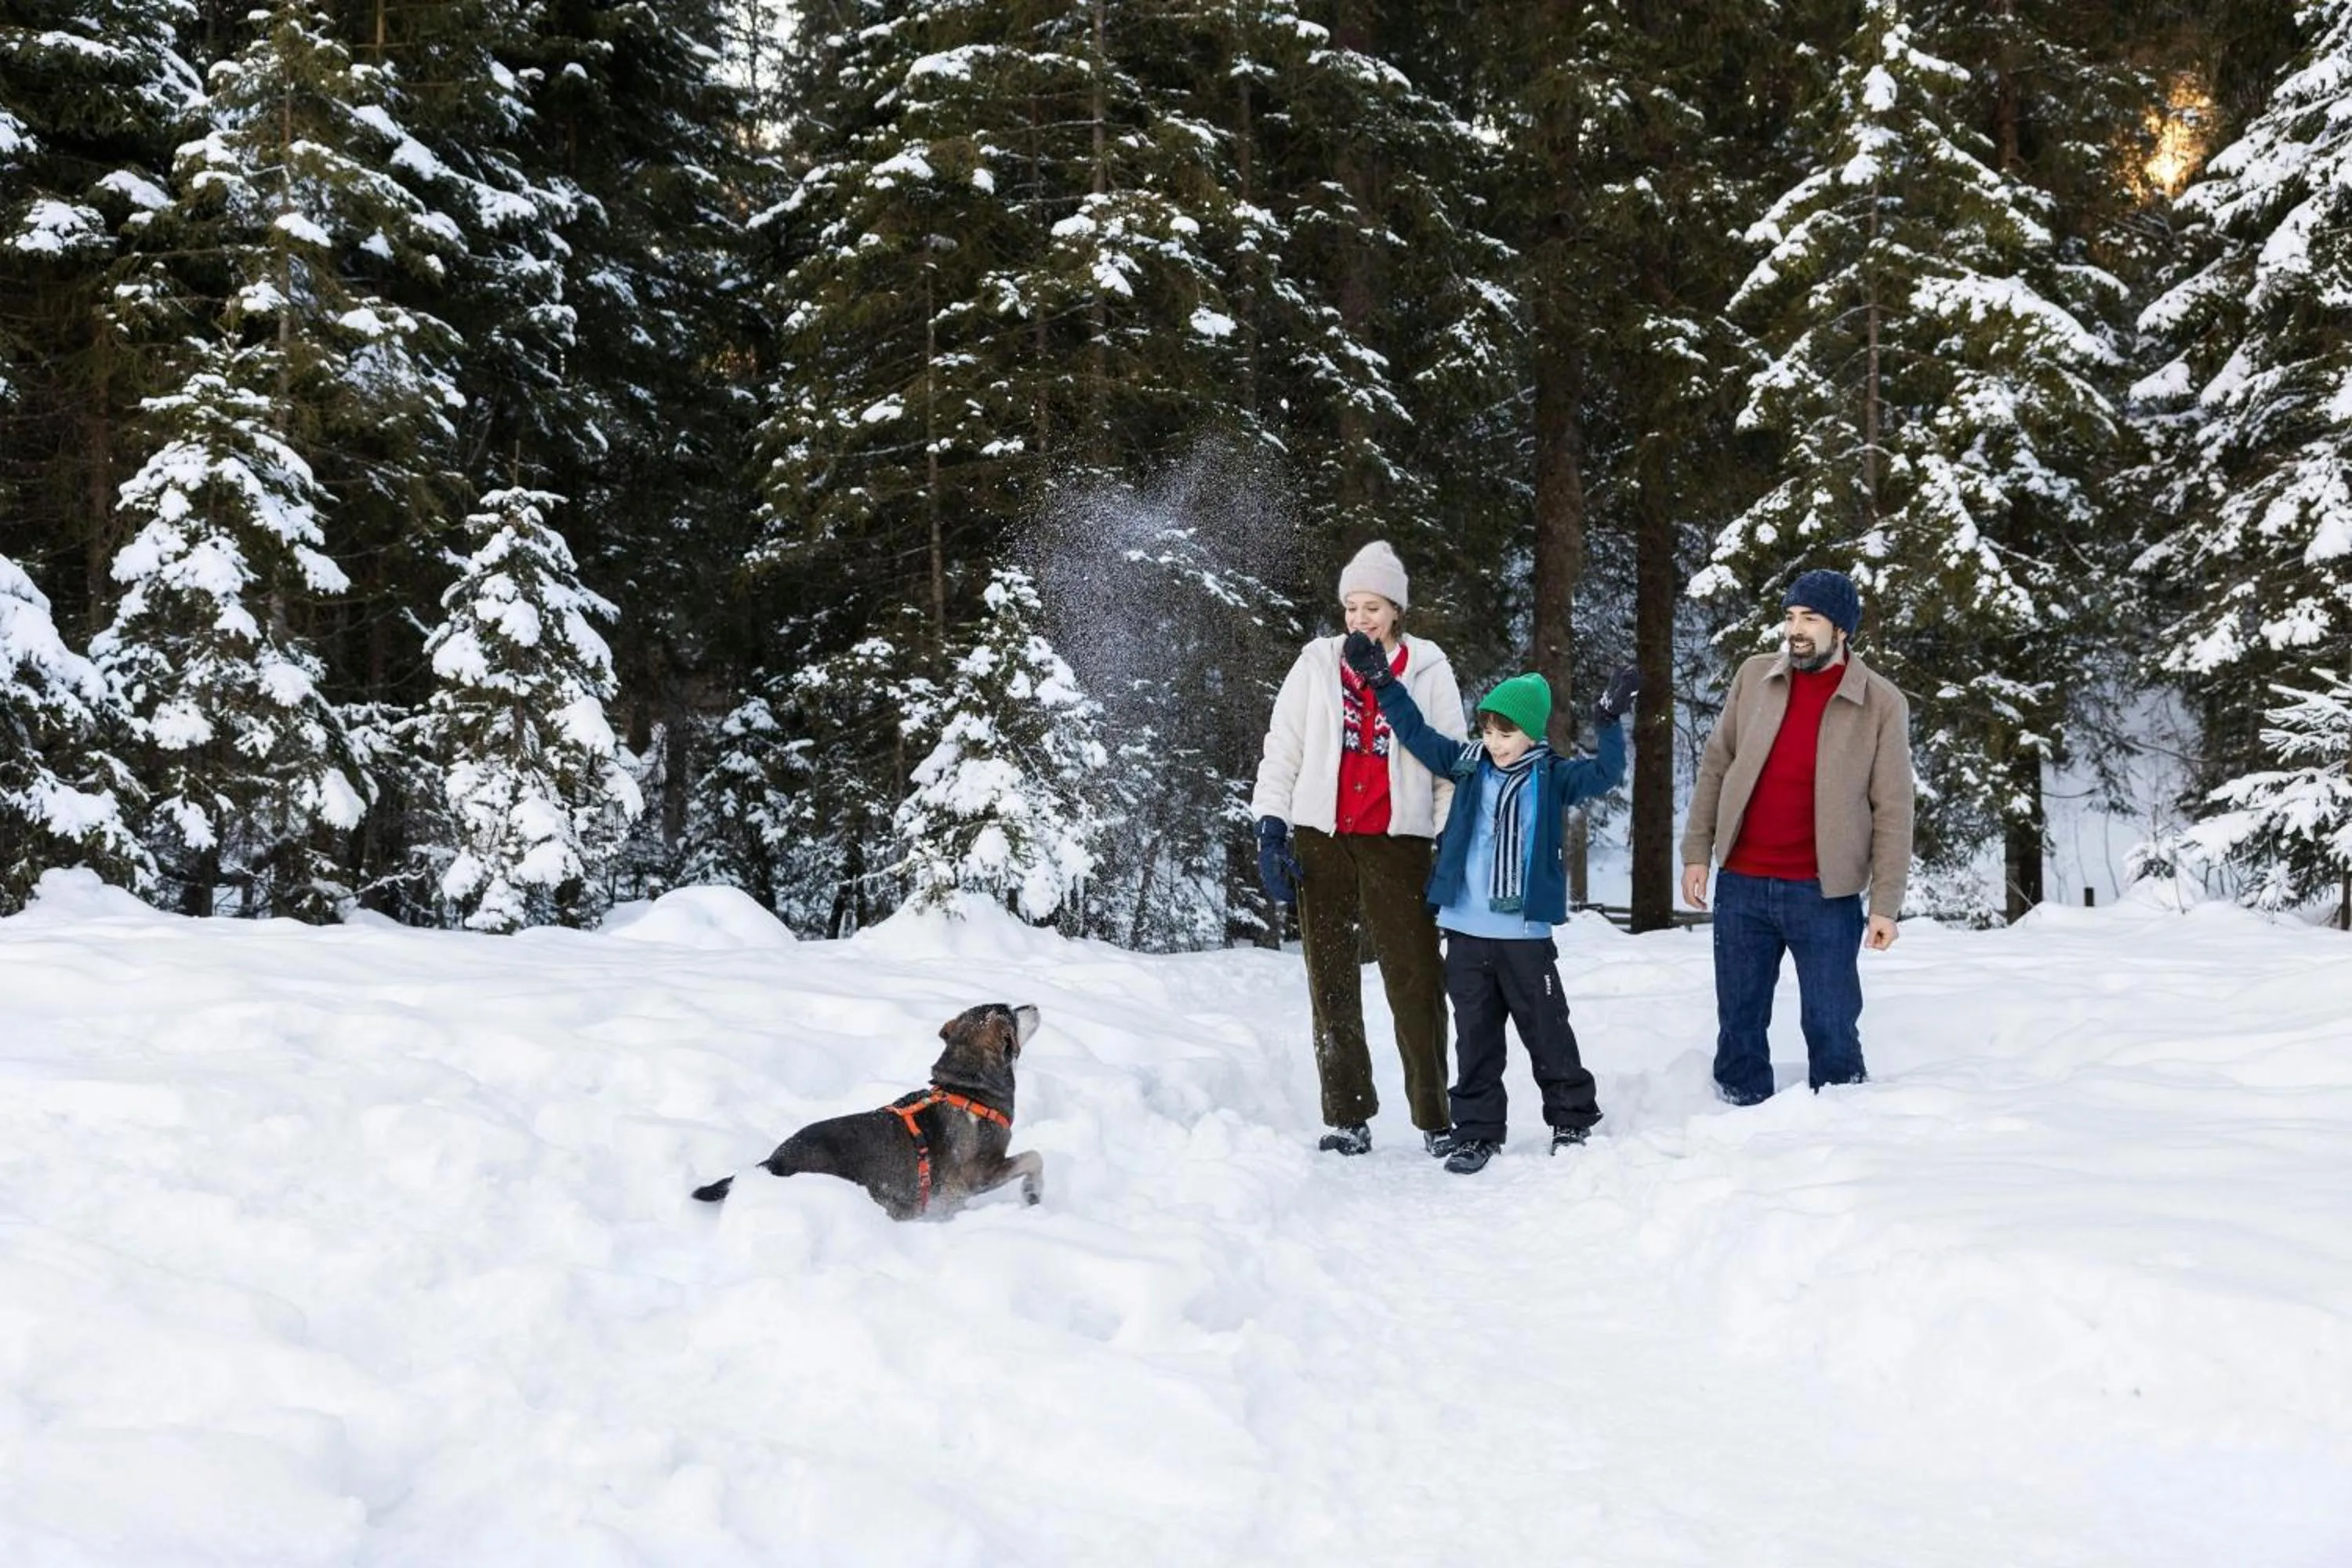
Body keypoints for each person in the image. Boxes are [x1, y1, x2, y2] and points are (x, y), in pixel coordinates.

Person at [1344, 631, 1639, 1174]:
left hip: (1524, 937)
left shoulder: (1552, 777)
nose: (1495, 740)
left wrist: (1607, 720)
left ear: (1531, 733)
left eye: (1507, 731)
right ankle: (1477, 1131)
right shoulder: (1467, 763)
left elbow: (1606, 774)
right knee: (1475, 1038)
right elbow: (1414, 732)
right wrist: (1382, 682)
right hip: (1466, 930)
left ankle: (1571, 1118)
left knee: (1547, 1031)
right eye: (1489, 727)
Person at [1251, 541, 1466, 1156]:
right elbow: (1283, 747)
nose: (1360, 618)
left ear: (1395, 610)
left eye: (1373, 606)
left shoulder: (1427, 669)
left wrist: (1449, 836)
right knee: (1331, 982)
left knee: (1416, 979)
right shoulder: (1316, 663)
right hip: (1323, 841)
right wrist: (1272, 824)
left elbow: (1450, 762)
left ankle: (1435, 1115)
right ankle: (1347, 1115)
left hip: (1400, 844)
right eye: (1352, 606)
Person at [1679, 568, 1915, 1105]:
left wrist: (1885, 905)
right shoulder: (1755, 677)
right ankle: (1736, 1114)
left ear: (1842, 629)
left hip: (1823, 893)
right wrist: (1697, 852)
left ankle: (1839, 1124)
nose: (1796, 629)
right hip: (1742, 884)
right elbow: (1716, 765)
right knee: (1738, 1021)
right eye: (1790, 617)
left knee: (1831, 1024)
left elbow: (1895, 809)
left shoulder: (1880, 703)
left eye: (1810, 618)